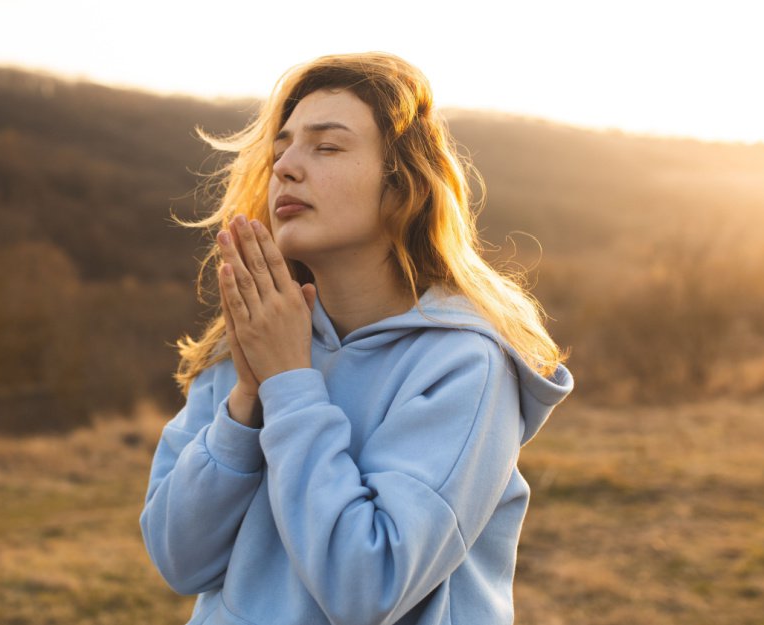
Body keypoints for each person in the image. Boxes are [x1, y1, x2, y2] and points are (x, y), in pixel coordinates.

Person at [140, 52, 574, 625]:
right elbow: (179, 560)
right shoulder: (254, 336)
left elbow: (367, 588)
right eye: (281, 150)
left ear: (401, 188)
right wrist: (248, 400)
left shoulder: (464, 364)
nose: (287, 168)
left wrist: (290, 387)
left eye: (327, 147)